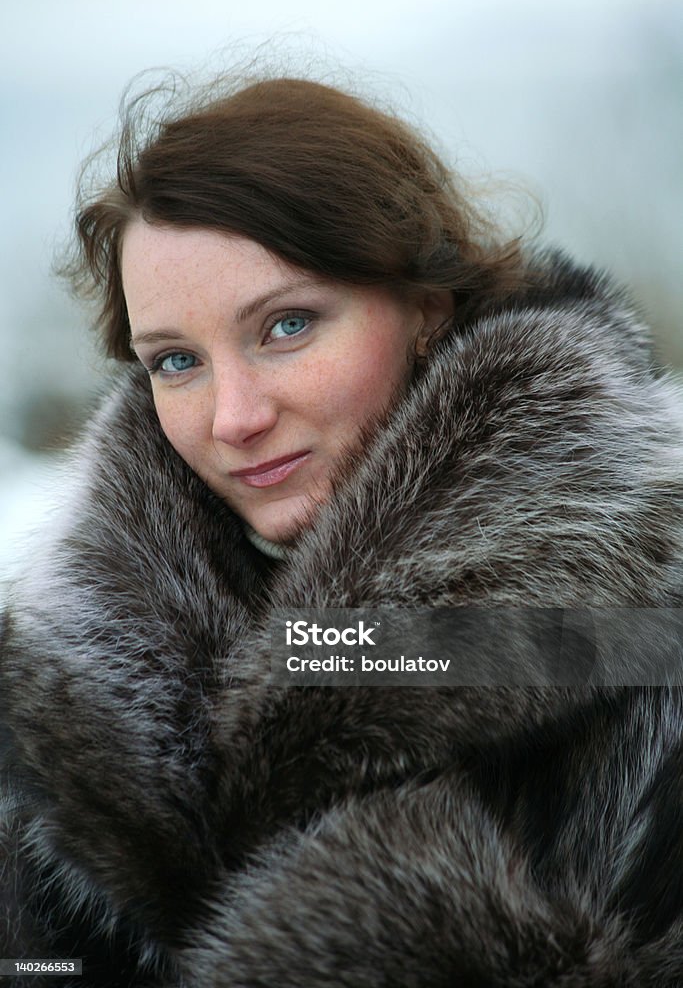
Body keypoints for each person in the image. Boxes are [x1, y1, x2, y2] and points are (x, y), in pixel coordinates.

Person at [1, 72, 683, 988]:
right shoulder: (57, 680)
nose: (233, 417)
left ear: (425, 311)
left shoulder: (643, 630)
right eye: (175, 361)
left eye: (286, 325)